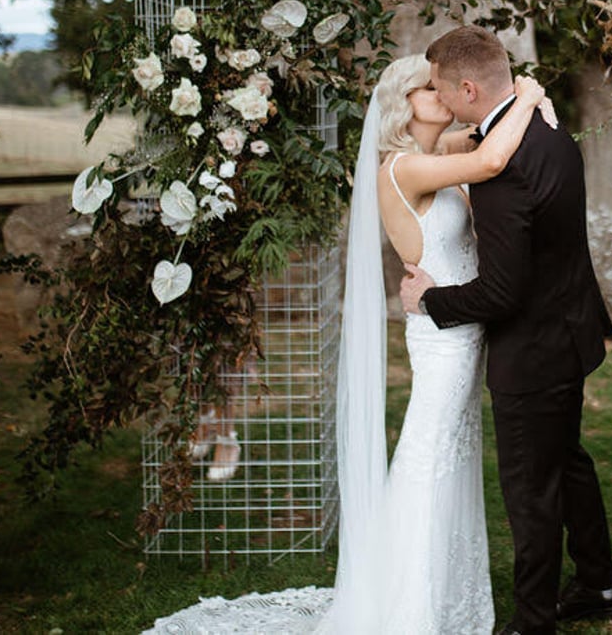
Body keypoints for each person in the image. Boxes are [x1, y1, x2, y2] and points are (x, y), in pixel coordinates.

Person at [143, 54, 553, 634]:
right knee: (427, 462)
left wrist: (516, 107)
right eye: (427, 88)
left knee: (453, 463)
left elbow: (484, 136)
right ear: (402, 104)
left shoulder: (436, 153)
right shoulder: (401, 169)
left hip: (463, 329)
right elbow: (489, 158)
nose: (441, 93)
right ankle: (406, 613)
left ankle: (446, 601)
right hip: (442, 341)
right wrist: (529, 96)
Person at [400, 26, 612, 635]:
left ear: (468, 88)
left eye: (442, 87)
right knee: (567, 462)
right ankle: (598, 583)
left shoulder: (503, 169)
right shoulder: (548, 130)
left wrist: (430, 300)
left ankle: (532, 621)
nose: (440, 96)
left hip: (534, 351)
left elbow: (501, 293)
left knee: (531, 489)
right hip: (569, 329)